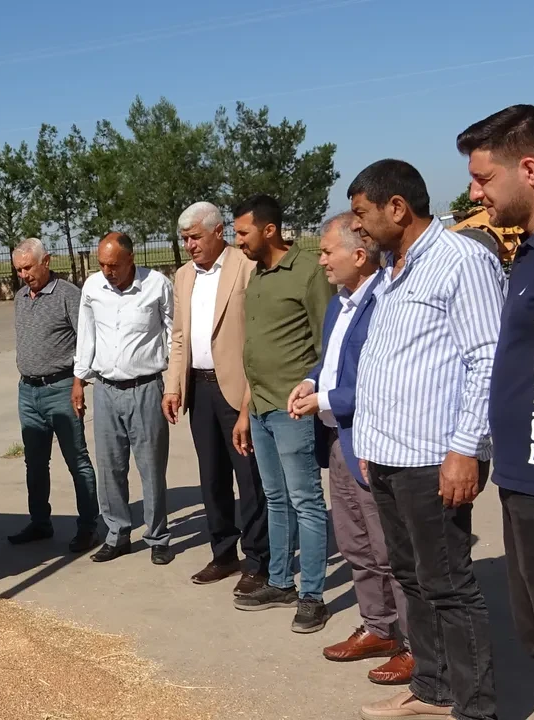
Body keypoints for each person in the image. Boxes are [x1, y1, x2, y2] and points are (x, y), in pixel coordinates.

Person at [348, 159, 502, 720]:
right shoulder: (392, 270)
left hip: (434, 459)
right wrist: (368, 439)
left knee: (449, 586)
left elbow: (486, 361)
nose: (357, 226)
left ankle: (476, 706)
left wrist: (466, 449)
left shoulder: (462, 262)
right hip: (389, 455)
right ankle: (433, 689)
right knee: (412, 578)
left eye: (363, 214)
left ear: (397, 208)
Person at [288, 213, 413, 684]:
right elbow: (331, 363)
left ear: (359, 256)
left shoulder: (384, 302)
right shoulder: (340, 304)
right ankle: (378, 627)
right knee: (357, 545)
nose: (319, 260)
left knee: (389, 552)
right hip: (340, 437)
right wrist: (309, 381)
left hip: (373, 439)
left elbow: (376, 382)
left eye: (325, 251)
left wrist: (321, 398)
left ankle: (415, 645)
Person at [458, 105, 534, 686]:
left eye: (484, 178)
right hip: (522, 482)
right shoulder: (528, 253)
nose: (474, 192)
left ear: (531, 170)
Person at [230, 193, 335, 634]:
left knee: (306, 501)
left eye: (242, 233)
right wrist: (245, 408)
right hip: (260, 407)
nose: (238, 242)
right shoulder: (257, 274)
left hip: (293, 409)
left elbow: (325, 342)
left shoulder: (308, 271)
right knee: (275, 498)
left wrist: (313, 394)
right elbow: (256, 350)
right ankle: (279, 581)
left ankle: (312, 594)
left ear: (269, 230)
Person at [163, 202, 270, 595]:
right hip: (200, 388)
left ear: (218, 231)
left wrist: (251, 393)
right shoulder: (183, 276)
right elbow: (179, 337)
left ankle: (259, 559)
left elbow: (257, 333)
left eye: (195, 237)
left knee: (250, 479)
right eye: (184, 239)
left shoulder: (244, 266)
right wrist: (173, 386)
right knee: (212, 478)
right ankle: (224, 552)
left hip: (239, 389)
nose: (189, 245)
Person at [73, 232, 174, 565]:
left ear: (131, 259)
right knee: (109, 468)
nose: (107, 271)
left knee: (151, 467)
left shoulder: (157, 285)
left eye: (114, 264)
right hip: (105, 390)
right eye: (102, 264)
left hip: (146, 389)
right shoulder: (92, 288)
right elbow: (86, 335)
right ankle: (117, 534)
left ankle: (158, 536)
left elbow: (174, 336)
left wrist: (173, 384)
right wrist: (79, 380)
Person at [9, 237, 101, 553]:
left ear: (46, 261)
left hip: (61, 390)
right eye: (19, 270)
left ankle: (89, 526)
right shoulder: (21, 297)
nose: (23, 275)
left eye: (28, 268)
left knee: (77, 460)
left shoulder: (67, 296)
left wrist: (79, 382)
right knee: (35, 463)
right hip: (28, 392)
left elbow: (87, 342)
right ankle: (40, 522)